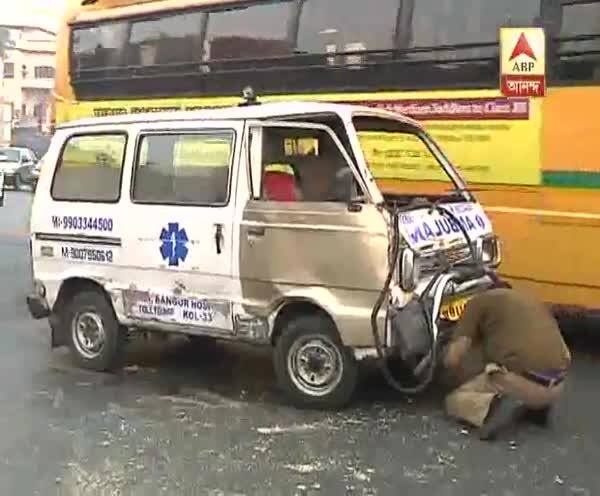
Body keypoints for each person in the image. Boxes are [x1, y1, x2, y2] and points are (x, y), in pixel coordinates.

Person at [440, 282, 571, 440]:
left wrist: (440, 358)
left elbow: (454, 358)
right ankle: (537, 409)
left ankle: (496, 405)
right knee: (525, 360)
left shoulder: (478, 301)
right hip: (557, 385)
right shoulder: (528, 299)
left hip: (523, 384)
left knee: (454, 402)